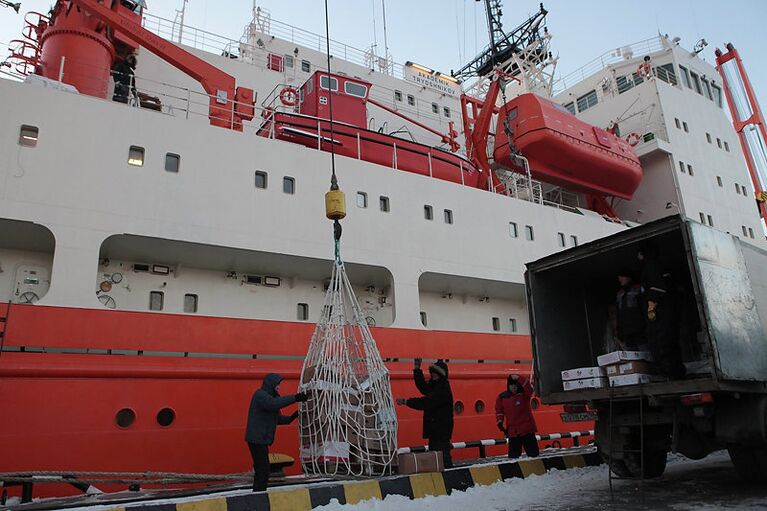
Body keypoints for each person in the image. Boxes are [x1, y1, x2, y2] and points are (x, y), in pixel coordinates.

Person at [244, 373, 307, 492]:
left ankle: (258, 492)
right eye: (278, 384)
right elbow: (273, 404)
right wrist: (295, 398)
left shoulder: (268, 398)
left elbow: (278, 419)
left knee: (262, 469)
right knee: (263, 469)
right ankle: (259, 493)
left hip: (260, 440)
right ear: (271, 384)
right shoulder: (261, 395)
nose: (279, 386)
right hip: (257, 439)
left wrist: (293, 416)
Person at [396, 358, 454, 468]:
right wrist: (417, 369)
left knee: (441, 455)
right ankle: (443, 472)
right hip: (436, 428)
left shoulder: (442, 389)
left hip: (441, 429)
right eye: (432, 373)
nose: (432, 375)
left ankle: (447, 474)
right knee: (437, 454)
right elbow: (423, 387)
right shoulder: (436, 385)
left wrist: (406, 401)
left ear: (441, 375)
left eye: (435, 374)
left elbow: (426, 402)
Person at [637, 245, 683, 377]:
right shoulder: (657, 266)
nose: (638, 257)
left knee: (661, 342)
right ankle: (672, 371)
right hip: (664, 311)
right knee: (667, 341)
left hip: (660, 312)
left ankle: (667, 372)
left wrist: (651, 304)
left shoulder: (651, 266)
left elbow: (657, 288)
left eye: (639, 253)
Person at [495, 374, 539, 459]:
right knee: (513, 457)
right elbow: (499, 410)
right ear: (508, 386)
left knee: (533, 455)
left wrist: (519, 378)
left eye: (515, 385)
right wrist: (499, 421)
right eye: (511, 385)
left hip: (527, 430)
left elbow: (530, 389)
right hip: (513, 432)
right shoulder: (502, 397)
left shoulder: (523, 395)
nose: (514, 387)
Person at [615, 267, 646, 350]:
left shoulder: (638, 289)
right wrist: (618, 329)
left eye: (622, 276)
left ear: (628, 277)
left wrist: (647, 325)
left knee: (645, 353)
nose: (620, 279)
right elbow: (618, 313)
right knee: (632, 355)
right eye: (619, 277)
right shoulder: (620, 294)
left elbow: (644, 308)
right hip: (626, 332)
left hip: (640, 330)